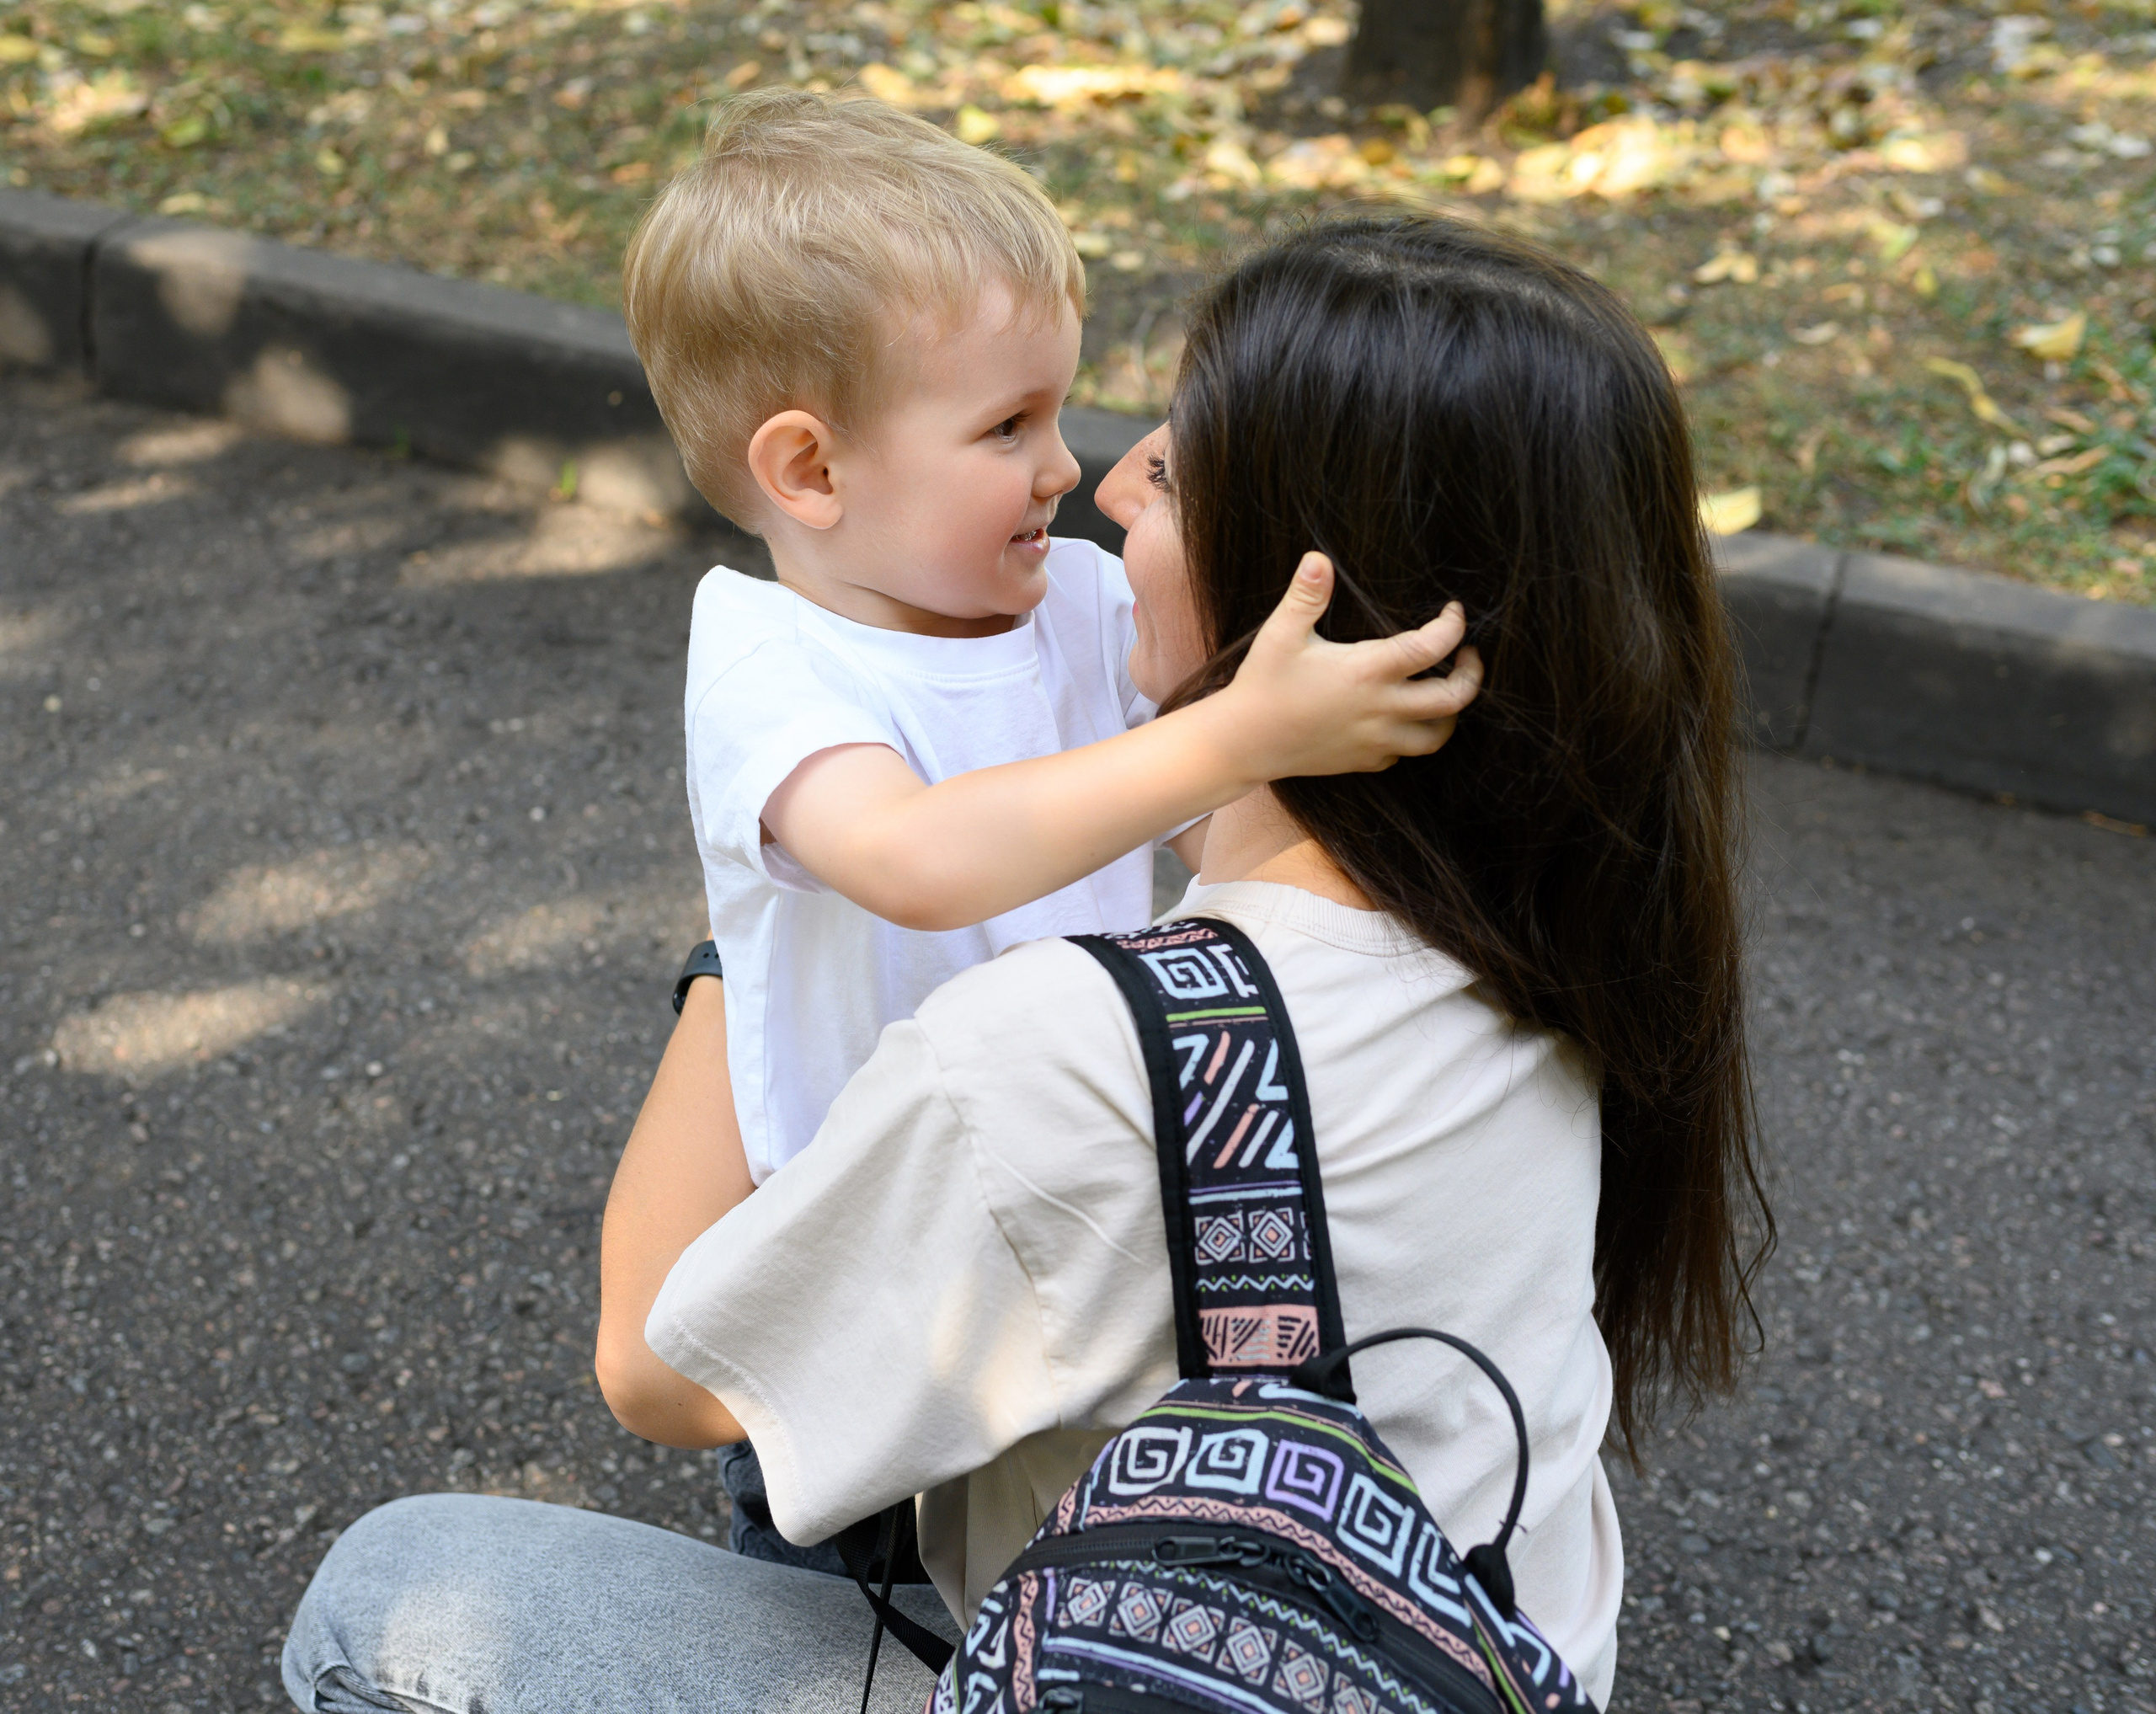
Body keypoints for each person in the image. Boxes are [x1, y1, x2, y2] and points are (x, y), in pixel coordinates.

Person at [280, 213, 1772, 1714]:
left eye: (1174, 471)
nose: (1096, 484)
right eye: (1024, 427)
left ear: (1306, 614)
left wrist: (754, 928)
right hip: (1468, 1660)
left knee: (392, 1587)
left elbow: (660, 1360)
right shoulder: (1563, 917)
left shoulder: (1066, 1063)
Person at [617, 87, 1481, 1570]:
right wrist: (1239, 731)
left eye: (1060, 409)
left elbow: (1222, 802)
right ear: (811, 471)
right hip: (853, 1231)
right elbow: (920, 862)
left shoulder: (1067, 599)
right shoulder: (773, 667)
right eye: (1006, 425)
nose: (1067, 465)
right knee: (860, 1558)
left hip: (1054, 1187)